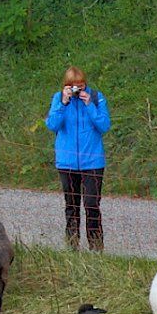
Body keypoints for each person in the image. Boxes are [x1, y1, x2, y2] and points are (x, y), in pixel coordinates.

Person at [46, 66, 112, 252]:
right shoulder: (58, 99)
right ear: (66, 86)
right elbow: (52, 125)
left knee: (92, 204)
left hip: (92, 161)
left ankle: (96, 247)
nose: (78, 91)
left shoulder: (97, 97)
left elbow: (104, 125)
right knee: (71, 206)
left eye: (81, 86)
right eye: (74, 87)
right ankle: (72, 246)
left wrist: (89, 105)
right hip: (67, 162)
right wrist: (63, 103)